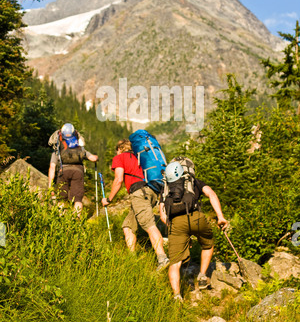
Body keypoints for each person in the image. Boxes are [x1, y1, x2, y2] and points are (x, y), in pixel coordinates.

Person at [159, 160, 228, 302]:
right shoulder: (194, 182)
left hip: (176, 223)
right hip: (196, 217)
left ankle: (177, 296)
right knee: (208, 244)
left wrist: (176, 229)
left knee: (175, 262)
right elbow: (212, 195)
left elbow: (162, 215)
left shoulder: (166, 187)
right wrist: (220, 217)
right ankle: (202, 276)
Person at [101, 139, 169, 271]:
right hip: (152, 193)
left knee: (149, 225)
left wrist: (109, 199)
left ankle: (162, 257)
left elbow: (118, 179)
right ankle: (131, 260)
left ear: (120, 149)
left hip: (139, 194)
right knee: (128, 226)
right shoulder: (140, 157)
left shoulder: (120, 157)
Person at [48, 123, 98, 216]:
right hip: (78, 172)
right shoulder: (79, 148)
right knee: (78, 199)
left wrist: (50, 186)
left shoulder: (58, 150)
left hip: (63, 172)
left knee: (61, 199)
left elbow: (52, 168)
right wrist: (96, 157)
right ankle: (76, 220)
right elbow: (93, 158)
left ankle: (62, 219)